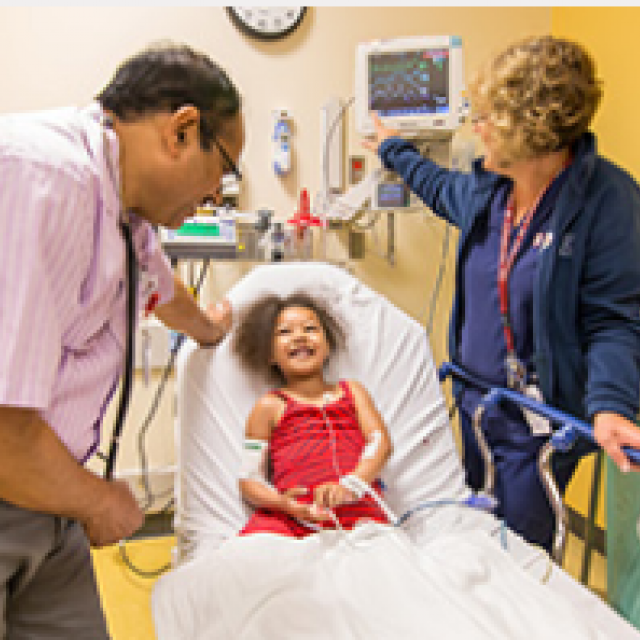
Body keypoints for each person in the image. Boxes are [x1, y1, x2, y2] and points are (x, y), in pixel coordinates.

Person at [0, 43, 243, 638]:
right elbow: (5, 427)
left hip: (45, 496)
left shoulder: (122, 208)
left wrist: (213, 329)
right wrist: (100, 501)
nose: (215, 196)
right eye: (225, 170)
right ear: (183, 131)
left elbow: (160, 287)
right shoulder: (42, 179)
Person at [362, 35, 640, 552]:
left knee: (518, 558)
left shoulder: (608, 202)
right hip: (477, 406)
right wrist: (393, 150)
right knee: (472, 540)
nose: (476, 126)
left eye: (487, 115)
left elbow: (614, 320)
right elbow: (438, 187)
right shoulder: (492, 191)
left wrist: (612, 404)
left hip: (537, 426)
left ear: (528, 126)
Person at [232, 293, 393, 537]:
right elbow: (249, 480)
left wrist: (350, 486)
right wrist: (284, 504)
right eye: (284, 332)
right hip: (292, 522)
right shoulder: (270, 406)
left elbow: (380, 444)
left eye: (310, 329)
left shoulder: (353, 392)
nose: (299, 337)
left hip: (358, 517)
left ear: (328, 346)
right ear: (270, 355)